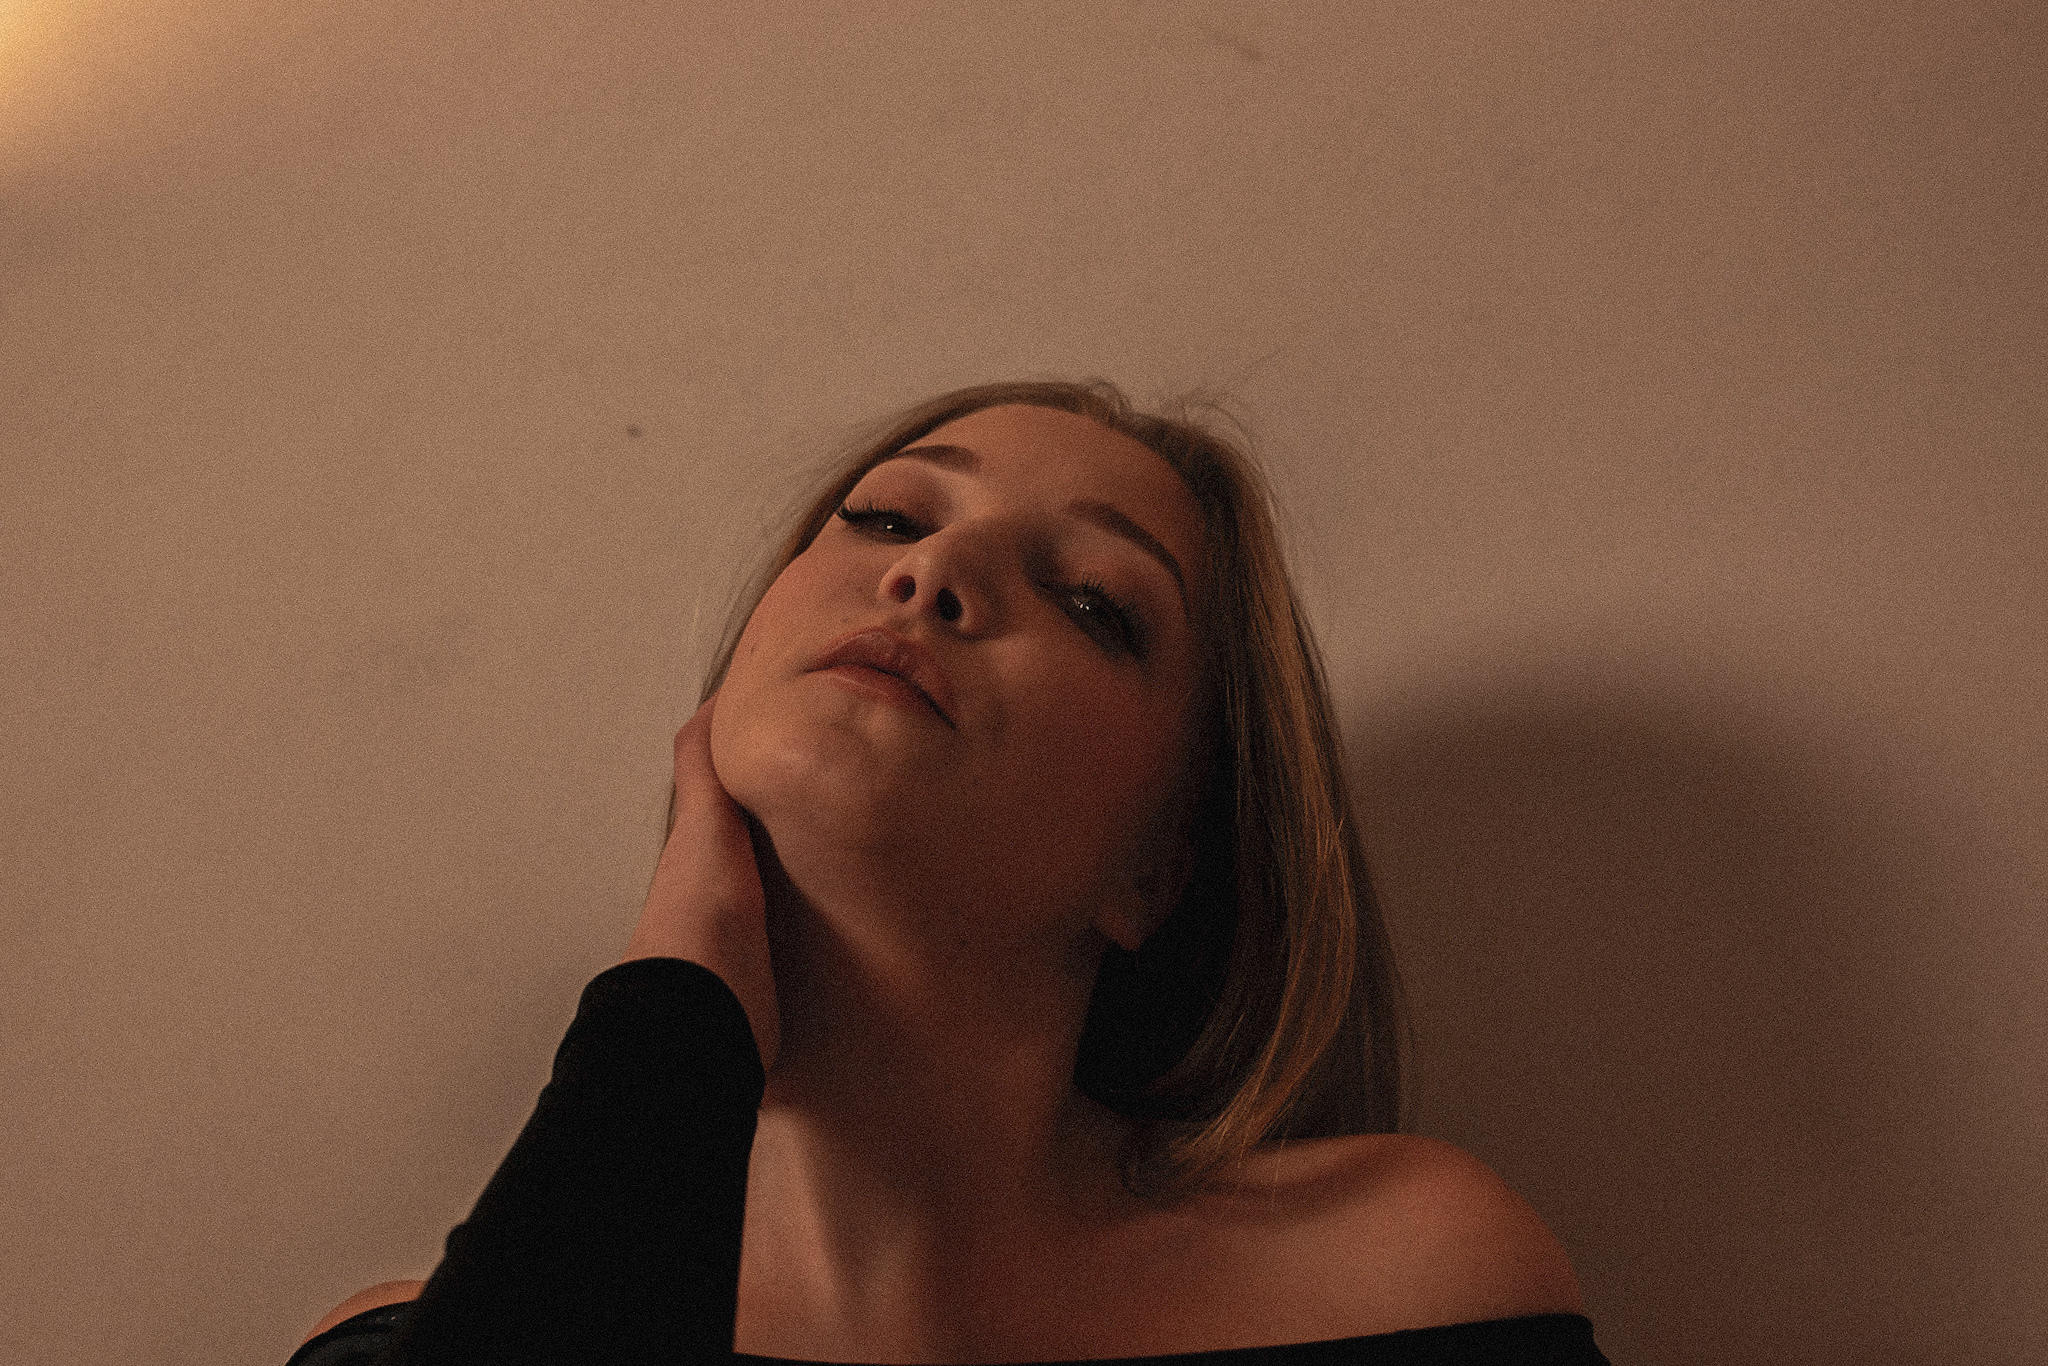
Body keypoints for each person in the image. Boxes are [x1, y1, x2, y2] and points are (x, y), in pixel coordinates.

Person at [290, 381, 1610, 1364]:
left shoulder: (1398, 1277)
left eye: (1093, 601)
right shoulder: (414, 1337)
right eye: (885, 516)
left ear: (1160, 867)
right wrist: (674, 1016)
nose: (934, 569)